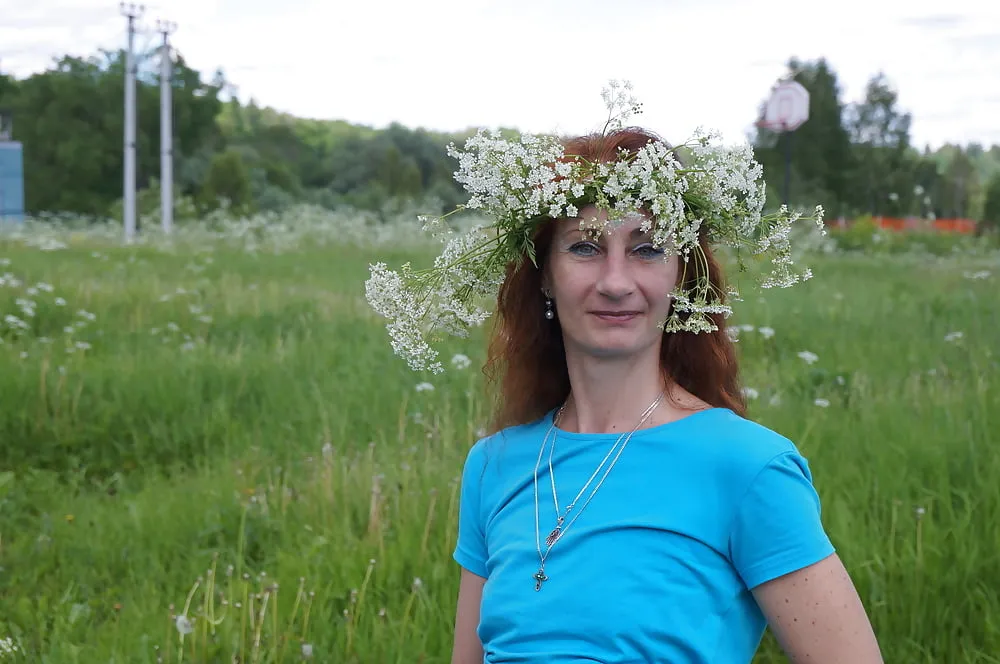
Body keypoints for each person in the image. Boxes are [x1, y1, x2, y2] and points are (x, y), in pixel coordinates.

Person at [364, 83, 883, 663]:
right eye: (585, 248)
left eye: (647, 248)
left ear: (681, 276)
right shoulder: (493, 466)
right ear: (543, 275)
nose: (616, 281)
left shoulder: (747, 468)